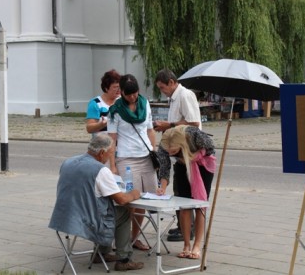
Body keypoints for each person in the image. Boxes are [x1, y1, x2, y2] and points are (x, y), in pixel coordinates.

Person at [48, 134, 144, 271]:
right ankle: (124, 259)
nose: (111, 156)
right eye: (111, 153)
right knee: (124, 212)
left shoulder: (68, 162)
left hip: (63, 217)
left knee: (104, 209)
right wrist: (134, 193)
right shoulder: (100, 170)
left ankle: (101, 253)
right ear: (102, 152)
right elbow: (121, 199)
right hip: (86, 221)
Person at [107, 74, 157, 251]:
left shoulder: (145, 104)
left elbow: (150, 130)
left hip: (146, 158)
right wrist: (112, 166)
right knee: (130, 200)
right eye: (129, 95)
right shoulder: (114, 110)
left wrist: (153, 150)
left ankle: (134, 237)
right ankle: (122, 240)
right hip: (126, 159)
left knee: (146, 199)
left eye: (135, 93)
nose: (133, 97)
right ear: (122, 93)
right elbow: (111, 139)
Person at [154, 68, 201, 242]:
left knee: (185, 192)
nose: (162, 91)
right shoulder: (173, 98)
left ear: (172, 82)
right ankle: (183, 226)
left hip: (188, 152)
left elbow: (194, 123)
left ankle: (188, 228)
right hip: (177, 151)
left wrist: (169, 124)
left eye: (162, 87)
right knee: (179, 190)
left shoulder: (184, 95)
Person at [156, 125, 216, 259]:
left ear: (182, 145)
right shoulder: (164, 145)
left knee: (200, 205)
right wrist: (162, 187)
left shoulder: (193, 134)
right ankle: (186, 245)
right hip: (182, 164)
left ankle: (197, 246)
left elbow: (211, 148)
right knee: (183, 205)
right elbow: (164, 168)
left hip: (202, 165)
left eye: (175, 151)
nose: (171, 154)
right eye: (170, 152)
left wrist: (194, 157)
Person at [86, 69, 121, 135]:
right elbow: (89, 128)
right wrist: (101, 124)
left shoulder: (122, 101)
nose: (119, 90)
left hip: (120, 144)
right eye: (115, 87)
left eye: (120, 87)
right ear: (106, 88)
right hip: (101, 143)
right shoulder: (95, 103)